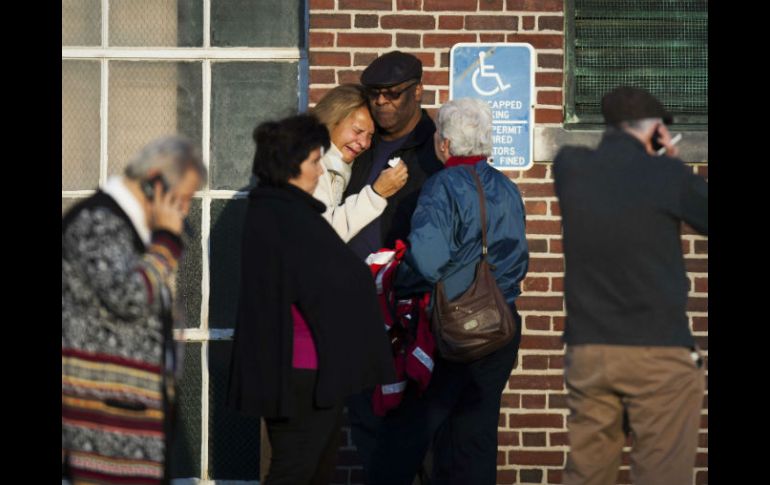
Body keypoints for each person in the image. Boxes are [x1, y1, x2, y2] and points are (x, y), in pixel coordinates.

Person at [226, 114, 396, 484]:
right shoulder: (283, 214)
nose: (321, 171)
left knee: (317, 468)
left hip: (310, 369)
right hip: (299, 372)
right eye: (315, 161)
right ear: (292, 163)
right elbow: (324, 282)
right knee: (296, 468)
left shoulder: (285, 211)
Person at [367, 97, 529, 485]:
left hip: (451, 330)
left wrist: (392, 280)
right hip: (501, 327)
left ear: (445, 145)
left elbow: (426, 261)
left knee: (408, 434)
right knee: (475, 439)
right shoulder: (508, 189)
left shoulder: (442, 187)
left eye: (438, 133)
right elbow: (519, 259)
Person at [553, 86, 708, 485]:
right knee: (661, 473)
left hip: (589, 351)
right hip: (657, 349)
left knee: (587, 473)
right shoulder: (668, 174)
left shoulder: (571, 167)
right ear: (657, 130)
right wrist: (673, 165)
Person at [62, 136, 207, 484]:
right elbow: (128, 296)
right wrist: (167, 244)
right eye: (183, 198)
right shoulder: (97, 222)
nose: (184, 210)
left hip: (126, 418)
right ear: (156, 181)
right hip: (104, 422)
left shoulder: (131, 230)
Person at [343, 50, 444, 476]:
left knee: (415, 427)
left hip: (409, 309)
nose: (382, 103)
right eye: (376, 95)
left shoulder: (433, 150)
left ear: (418, 90)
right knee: (366, 419)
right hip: (357, 308)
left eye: (393, 94)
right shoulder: (360, 144)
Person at [310, 83, 409, 241]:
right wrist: (376, 193)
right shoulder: (307, 165)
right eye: (357, 131)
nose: (364, 143)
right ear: (331, 121)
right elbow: (322, 234)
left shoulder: (338, 166)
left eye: (370, 135)